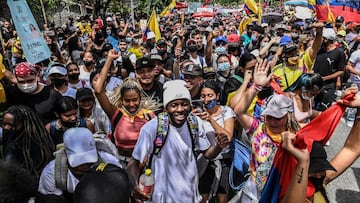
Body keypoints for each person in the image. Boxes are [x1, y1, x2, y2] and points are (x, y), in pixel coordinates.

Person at [128, 80, 230, 203]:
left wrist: (219, 146)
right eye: (174, 105)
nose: (180, 109)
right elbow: (134, 161)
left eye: (184, 104)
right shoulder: (152, 128)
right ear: (166, 108)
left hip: (191, 197)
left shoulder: (195, 123)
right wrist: (133, 184)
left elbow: (207, 153)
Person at [233, 60, 301, 201]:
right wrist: (256, 86)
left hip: (278, 192)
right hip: (252, 191)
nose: (272, 122)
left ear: (288, 117)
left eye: (278, 117)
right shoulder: (259, 128)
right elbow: (239, 112)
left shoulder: (295, 138)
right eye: (269, 117)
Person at [93, 50, 158, 166]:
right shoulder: (117, 114)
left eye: (135, 100)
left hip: (145, 165)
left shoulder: (149, 116)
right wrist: (109, 60)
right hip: (120, 163)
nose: (131, 104)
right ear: (121, 101)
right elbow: (98, 91)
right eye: (127, 101)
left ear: (140, 99)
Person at [38, 127, 121, 202]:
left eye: (87, 162)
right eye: (78, 162)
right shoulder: (51, 173)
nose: (82, 167)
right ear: (66, 155)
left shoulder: (109, 162)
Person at [197, 80, 236, 203]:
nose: (206, 100)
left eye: (210, 96)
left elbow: (227, 137)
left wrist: (211, 120)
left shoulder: (226, 111)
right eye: (203, 96)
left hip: (223, 159)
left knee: (222, 197)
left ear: (217, 96)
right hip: (204, 159)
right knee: (202, 196)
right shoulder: (197, 115)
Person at [1, 105, 54, 177]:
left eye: (11, 125)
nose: (6, 127)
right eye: (4, 124)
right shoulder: (9, 134)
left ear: (24, 123)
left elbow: (39, 165)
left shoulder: (35, 140)